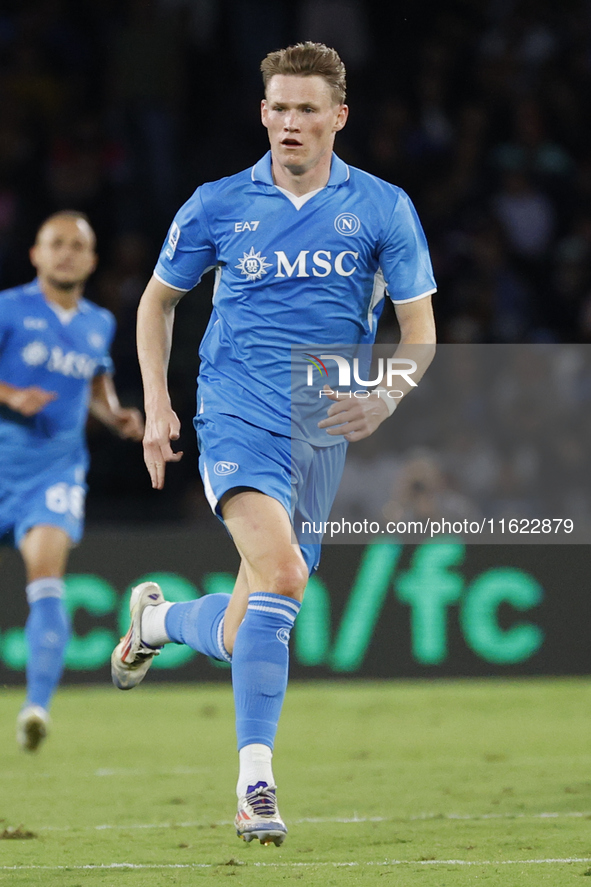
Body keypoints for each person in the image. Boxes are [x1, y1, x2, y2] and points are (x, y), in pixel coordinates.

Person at [111, 42, 436, 845]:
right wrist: (156, 407)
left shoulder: (384, 207)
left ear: (337, 117)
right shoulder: (217, 204)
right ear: (262, 112)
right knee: (284, 572)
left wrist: (385, 396)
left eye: (305, 109)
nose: (289, 121)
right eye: (277, 107)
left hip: (320, 429)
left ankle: (154, 626)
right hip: (234, 412)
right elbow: (157, 305)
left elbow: (420, 331)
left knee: (253, 619)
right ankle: (255, 782)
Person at [0, 211, 144, 751]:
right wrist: (11, 396)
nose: (65, 253)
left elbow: (97, 383)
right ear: (35, 253)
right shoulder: (9, 308)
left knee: (46, 578)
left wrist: (116, 416)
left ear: (90, 259)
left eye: (76, 245)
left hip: (53, 472)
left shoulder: (98, 322)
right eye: (54, 243)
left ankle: (36, 707)